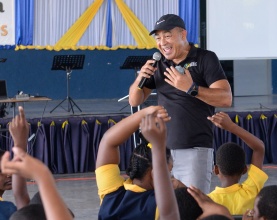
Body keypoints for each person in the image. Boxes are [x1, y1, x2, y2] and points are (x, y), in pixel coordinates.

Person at [128, 13, 232, 194]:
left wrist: (191, 88)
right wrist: (140, 79)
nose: (162, 42)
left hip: (194, 149)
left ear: (183, 34)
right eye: (158, 38)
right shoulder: (158, 64)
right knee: (165, 208)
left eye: (167, 36)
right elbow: (135, 100)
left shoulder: (205, 58)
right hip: (162, 152)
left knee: (193, 206)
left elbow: (225, 98)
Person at [96, 106, 180, 220]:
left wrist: (144, 113)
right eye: (168, 172)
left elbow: (108, 141)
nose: (171, 177)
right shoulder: (161, 205)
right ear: (154, 173)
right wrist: (179, 187)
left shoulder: (111, 192)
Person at [1, 106, 73, 220]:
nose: (8, 173)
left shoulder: (7, 210)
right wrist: (43, 176)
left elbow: (20, 196)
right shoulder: (6, 209)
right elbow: (21, 197)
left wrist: (19, 144)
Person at [207, 112, 268, 215]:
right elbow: (259, 147)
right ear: (244, 170)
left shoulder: (208, 201)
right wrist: (231, 126)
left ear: (216, 170)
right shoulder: (251, 190)